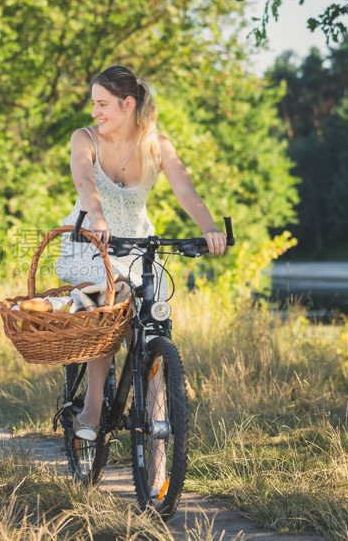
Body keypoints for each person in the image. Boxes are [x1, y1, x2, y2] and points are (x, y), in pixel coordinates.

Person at [54, 65, 226, 491]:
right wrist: (95, 216)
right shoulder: (85, 139)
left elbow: (186, 191)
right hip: (90, 242)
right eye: (93, 103)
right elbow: (83, 180)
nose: (94, 111)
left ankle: (158, 455)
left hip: (136, 244)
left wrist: (208, 229)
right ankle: (92, 409)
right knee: (107, 308)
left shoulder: (157, 146)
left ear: (128, 104)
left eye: (102, 104)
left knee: (154, 327)